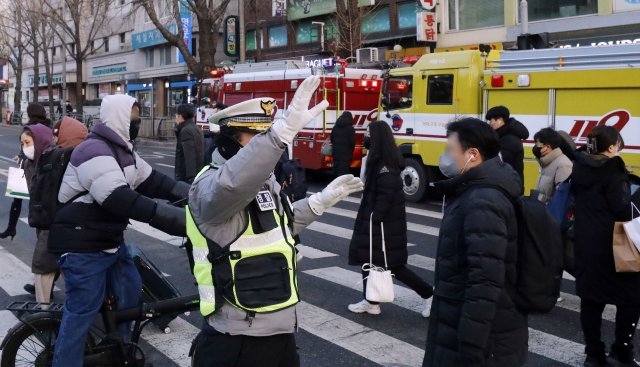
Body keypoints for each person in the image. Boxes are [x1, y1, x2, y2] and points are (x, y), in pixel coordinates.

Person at [188, 76, 363, 367]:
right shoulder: (207, 186)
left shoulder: (265, 182)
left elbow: (279, 226)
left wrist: (318, 203)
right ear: (230, 141)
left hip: (280, 326)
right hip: (237, 335)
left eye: (265, 135)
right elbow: (231, 186)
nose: (264, 147)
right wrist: (278, 135)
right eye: (255, 138)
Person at [48, 94, 190, 367]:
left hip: (109, 242)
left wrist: (195, 196)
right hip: (81, 247)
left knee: (129, 294)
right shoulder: (93, 151)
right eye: (133, 116)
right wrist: (178, 221)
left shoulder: (123, 151)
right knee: (82, 312)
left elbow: (156, 182)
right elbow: (118, 197)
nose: (137, 121)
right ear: (119, 118)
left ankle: (119, 353)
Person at [424, 118, 528, 367]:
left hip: (478, 338)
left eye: (451, 149)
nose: (446, 156)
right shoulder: (479, 189)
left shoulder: (483, 199)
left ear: (473, 154)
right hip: (464, 323)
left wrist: (471, 343)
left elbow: (485, 278)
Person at [347, 121, 433, 317]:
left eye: (368, 134)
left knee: (393, 265)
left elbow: (385, 196)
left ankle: (429, 294)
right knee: (368, 260)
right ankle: (371, 302)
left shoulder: (385, 166)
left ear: (377, 138)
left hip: (383, 226)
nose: (365, 137)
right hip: (376, 222)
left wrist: (374, 217)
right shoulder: (377, 160)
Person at [571, 126, 640, 367]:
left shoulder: (579, 166)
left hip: (586, 242)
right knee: (630, 298)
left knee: (591, 300)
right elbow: (622, 209)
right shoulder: (613, 171)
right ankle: (621, 351)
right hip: (617, 243)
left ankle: (593, 354)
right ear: (611, 147)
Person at [0, 103, 52, 241]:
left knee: (17, 197)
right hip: (35, 163)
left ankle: (11, 227)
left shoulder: (29, 128)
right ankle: (13, 228)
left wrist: (21, 156)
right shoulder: (49, 127)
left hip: (29, 164)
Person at [20, 124, 56, 304]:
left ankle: (44, 311)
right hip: (40, 218)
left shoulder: (55, 158)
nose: (25, 147)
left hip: (56, 221)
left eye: (28, 142)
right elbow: (28, 191)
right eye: (23, 144)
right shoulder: (28, 163)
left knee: (43, 262)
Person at [486, 106, 529, 184]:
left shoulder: (508, 139)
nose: (489, 123)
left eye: (491, 120)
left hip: (508, 185)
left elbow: (500, 163)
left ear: (500, 120)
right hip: (509, 183)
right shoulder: (504, 135)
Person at [533, 128, 573, 204]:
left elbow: (562, 199)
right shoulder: (546, 163)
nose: (536, 147)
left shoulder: (563, 165)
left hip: (550, 214)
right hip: (541, 211)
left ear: (547, 147)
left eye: (538, 144)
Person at [174, 103, 204, 183]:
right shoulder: (195, 127)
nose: (176, 117)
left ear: (181, 116)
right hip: (196, 172)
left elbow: (189, 155)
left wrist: (190, 177)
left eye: (177, 114)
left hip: (185, 176)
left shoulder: (186, 130)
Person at [330, 111, 356, 176]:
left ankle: (336, 184)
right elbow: (352, 142)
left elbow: (332, 138)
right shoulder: (350, 128)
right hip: (346, 154)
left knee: (336, 170)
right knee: (344, 172)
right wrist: (351, 150)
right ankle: (343, 185)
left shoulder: (335, 127)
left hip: (336, 153)